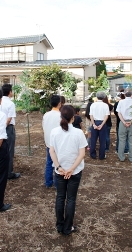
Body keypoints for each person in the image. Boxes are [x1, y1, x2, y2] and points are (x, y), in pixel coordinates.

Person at [49, 105, 87, 235]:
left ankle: (60, 225)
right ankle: (67, 227)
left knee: (60, 197)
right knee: (71, 198)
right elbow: (82, 154)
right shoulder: (78, 132)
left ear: (61, 116)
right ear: (73, 117)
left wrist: (59, 167)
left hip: (60, 171)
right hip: (74, 171)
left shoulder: (54, 131)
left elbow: (51, 151)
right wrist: (71, 169)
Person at [0, 84, 20, 180]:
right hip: (7, 128)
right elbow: (8, 120)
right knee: (9, 151)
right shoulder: (10, 104)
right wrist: (3, 129)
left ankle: (0, 171)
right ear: (9, 92)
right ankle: (9, 173)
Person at [42, 95, 61, 188]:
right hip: (58, 143)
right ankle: (58, 184)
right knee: (58, 163)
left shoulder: (46, 114)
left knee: (49, 162)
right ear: (59, 104)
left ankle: (48, 182)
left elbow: (44, 127)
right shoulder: (61, 115)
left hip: (49, 142)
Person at [116, 90, 132, 162]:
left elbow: (119, 113)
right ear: (131, 94)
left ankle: (121, 157)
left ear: (125, 95)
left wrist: (123, 122)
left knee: (122, 140)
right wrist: (131, 122)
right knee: (131, 141)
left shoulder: (121, 102)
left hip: (123, 122)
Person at [89, 91, 109, 160]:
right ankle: (101, 155)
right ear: (104, 97)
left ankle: (93, 154)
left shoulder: (93, 105)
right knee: (102, 141)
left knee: (93, 140)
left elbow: (91, 115)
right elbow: (106, 116)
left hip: (95, 122)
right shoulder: (105, 105)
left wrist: (93, 124)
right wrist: (102, 124)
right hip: (102, 123)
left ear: (96, 97)